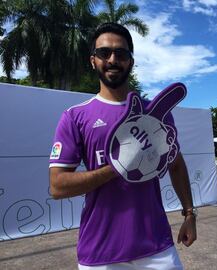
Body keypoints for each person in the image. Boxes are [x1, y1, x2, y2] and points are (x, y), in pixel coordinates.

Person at [49, 23, 196, 270]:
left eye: (122, 53)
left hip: (157, 246)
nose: (113, 59)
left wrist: (190, 215)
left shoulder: (156, 114)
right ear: (92, 60)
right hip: (99, 252)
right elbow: (57, 186)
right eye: (104, 53)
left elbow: (177, 165)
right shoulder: (75, 117)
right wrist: (118, 165)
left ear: (131, 61)